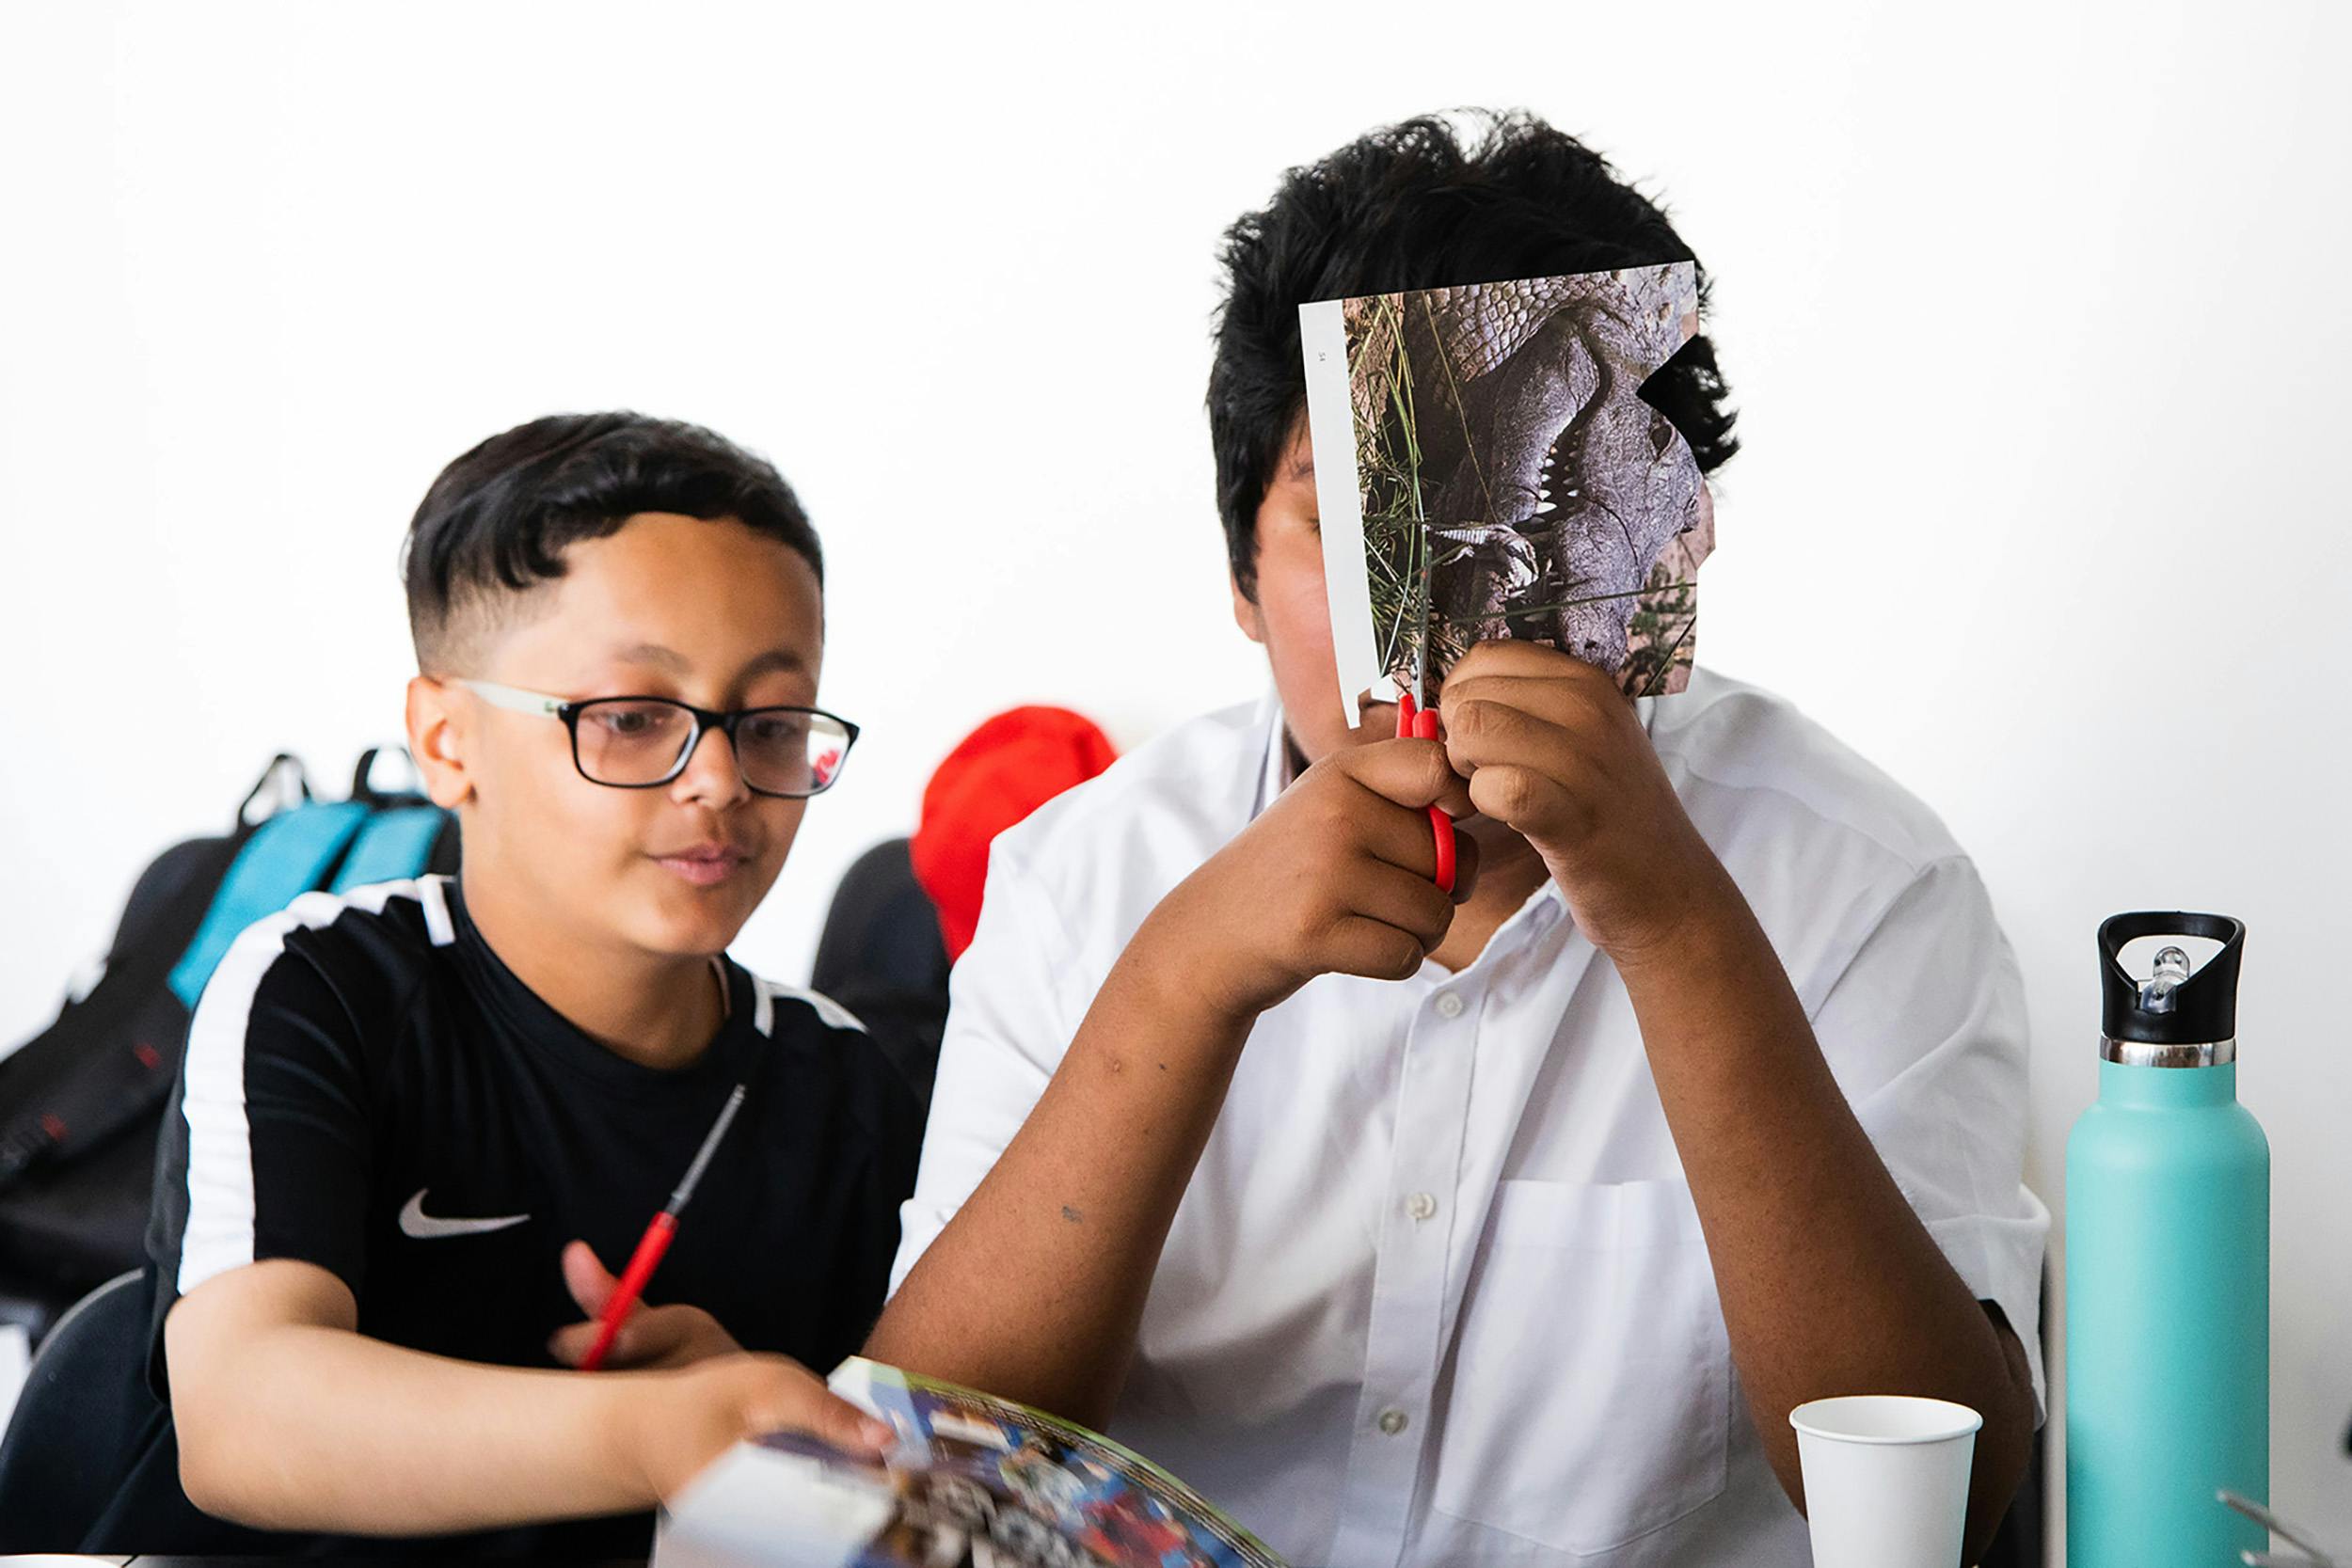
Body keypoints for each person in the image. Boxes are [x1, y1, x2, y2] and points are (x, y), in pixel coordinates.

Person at [867, 113, 2046, 1568]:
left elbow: (1949, 1498)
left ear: (1669, 532)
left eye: (1546, 508)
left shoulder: (1871, 884)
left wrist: (1678, 926)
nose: (1449, 605)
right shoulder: (1084, 876)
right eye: (1350, 519)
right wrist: (1179, 980)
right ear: (1241, 573)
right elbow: (917, 1485)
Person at [95, 412, 918, 1555]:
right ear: (447, 741)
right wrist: (651, 1432)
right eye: (632, 718)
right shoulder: (323, 987)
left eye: (771, 723)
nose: (722, 781)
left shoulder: (849, 1087)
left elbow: (895, 1485)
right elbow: (240, 1416)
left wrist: (766, 1436)